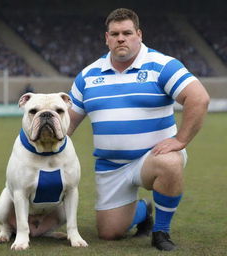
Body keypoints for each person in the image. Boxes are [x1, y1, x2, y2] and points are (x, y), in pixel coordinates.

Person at [68, 8, 209, 251]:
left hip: (153, 157)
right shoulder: (88, 76)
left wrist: (181, 140)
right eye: (115, 34)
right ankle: (143, 211)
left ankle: (161, 231)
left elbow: (199, 98)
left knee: (170, 163)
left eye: (127, 32)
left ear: (139, 34)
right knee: (109, 233)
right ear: (106, 38)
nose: (120, 38)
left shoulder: (162, 65)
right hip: (110, 166)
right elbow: (67, 123)